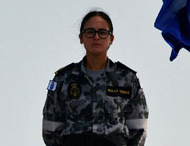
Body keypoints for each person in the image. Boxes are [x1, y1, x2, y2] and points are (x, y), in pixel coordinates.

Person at [42, 10, 148, 146]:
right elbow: (51, 129)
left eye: (102, 32)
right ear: (81, 38)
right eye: (90, 32)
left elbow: (138, 129)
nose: (96, 37)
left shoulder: (127, 79)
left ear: (111, 39)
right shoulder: (64, 79)